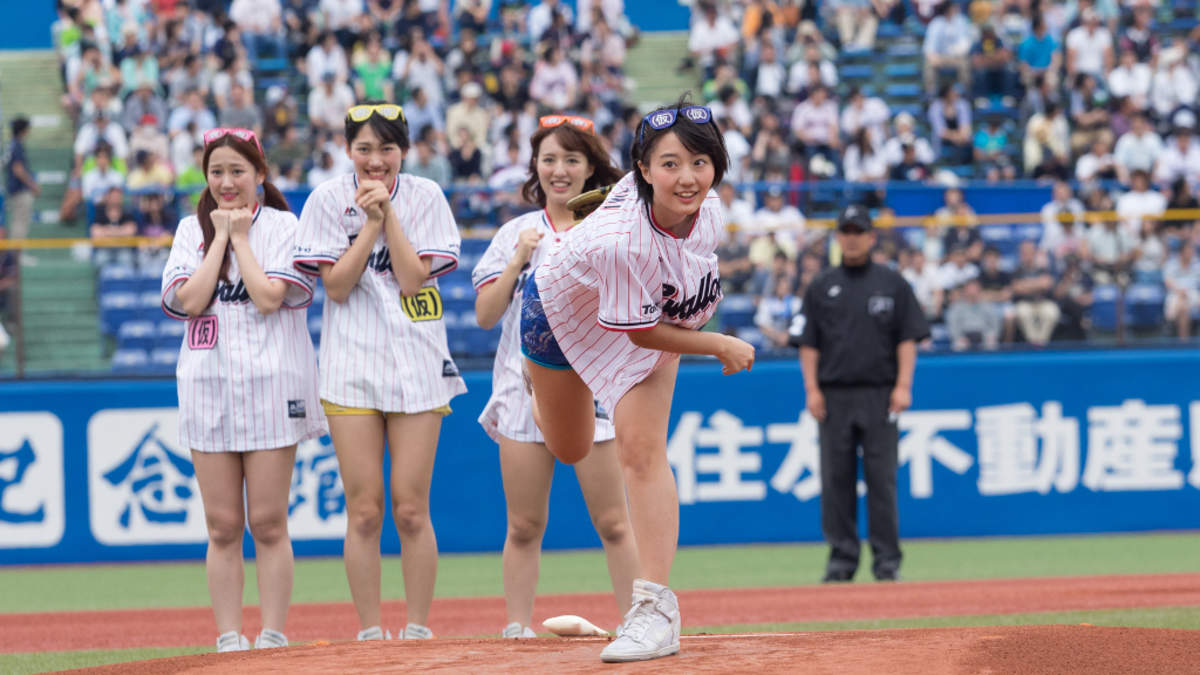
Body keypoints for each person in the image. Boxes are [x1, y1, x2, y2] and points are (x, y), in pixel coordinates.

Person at [520, 98, 755, 662]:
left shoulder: (711, 208)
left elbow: (655, 325)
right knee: (570, 446)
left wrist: (695, 327)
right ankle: (540, 403)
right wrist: (719, 342)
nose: (688, 176)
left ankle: (654, 610)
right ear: (642, 171)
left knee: (642, 451)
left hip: (646, 313)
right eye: (669, 164)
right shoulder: (624, 241)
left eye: (700, 162)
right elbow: (644, 336)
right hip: (559, 315)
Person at [293, 102, 465, 642]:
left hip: (417, 362)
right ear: (348, 151)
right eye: (364, 148)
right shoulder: (325, 200)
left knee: (412, 508)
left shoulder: (427, 197)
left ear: (403, 152)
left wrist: (388, 214)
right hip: (350, 365)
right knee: (364, 510)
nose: (375, 160)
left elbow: (414, 280)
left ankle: (417, 627)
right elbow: (337, 287)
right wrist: (369, 224)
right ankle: (370, 630)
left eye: (386, 148)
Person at [471, 114, 638, 638]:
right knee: (523, 525)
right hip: (523, 391)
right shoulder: (512, 234)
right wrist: (520, 256)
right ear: (535, 167)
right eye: (549, 160)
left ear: (591, 167)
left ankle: (640, 622)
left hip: (594, 391)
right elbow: (484, 313)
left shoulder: (611, 230)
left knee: (613, 522)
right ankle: (517, 630)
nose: (559, 170)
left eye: (571, 159)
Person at [160, 127, 324, 653]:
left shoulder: (284, 226)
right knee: (223, 525)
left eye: (237, 171)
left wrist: (241, 239)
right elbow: (189, 301)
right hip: (208, 386)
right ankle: (229, 637)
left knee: (269, 521)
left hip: (274, 384)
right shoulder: (192, 228)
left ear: (259, 174)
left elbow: (269, 297)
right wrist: (219, 239)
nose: (227, 182)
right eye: (217, 172)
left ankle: (272, 635)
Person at [798, 204, 929, 583]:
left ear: (871, 237)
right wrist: (812, 389)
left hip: (880, 394)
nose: (852, 238)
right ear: (839, 237)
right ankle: (842, 559)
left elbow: (908, 338)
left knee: (881, 479)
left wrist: (904, 385)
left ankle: (887, 561)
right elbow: (808, 343)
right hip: (834, 395)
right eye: (846, 231)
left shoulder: (892, 283)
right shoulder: (822, 286)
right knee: (835, 479)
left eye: (859, 231)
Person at [6, 117, 39, 265]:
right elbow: (18, 169)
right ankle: (16, 257)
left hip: (14, 190)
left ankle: (15, 256)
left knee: (17, 222)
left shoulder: (11, 145)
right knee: (20, 223)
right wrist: (32, 185)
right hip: (20, 191)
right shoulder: (17, 145)